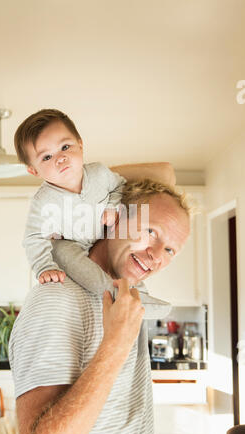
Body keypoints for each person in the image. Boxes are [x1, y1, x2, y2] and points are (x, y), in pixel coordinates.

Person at [8, 178, 191, 434]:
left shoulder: (127, 298)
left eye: (169, 250)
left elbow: (165, 170)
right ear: (115, 217)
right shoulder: (55, 298)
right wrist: (115, 345)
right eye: (151, 231)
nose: (155, 256)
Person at [14, 108, 176, 313]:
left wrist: (113, 206)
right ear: (34, 170)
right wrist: (44, 267)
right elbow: (33, 238)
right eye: (46, 157)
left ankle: (138, 292)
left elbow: (120, 186)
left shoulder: (99, 173)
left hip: (105, 235)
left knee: (130, 239)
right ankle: (114, 296)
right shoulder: (44, 201)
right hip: (73, 244)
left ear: (80, 145)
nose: (60, 158)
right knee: (62, 252)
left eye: (65, 146)